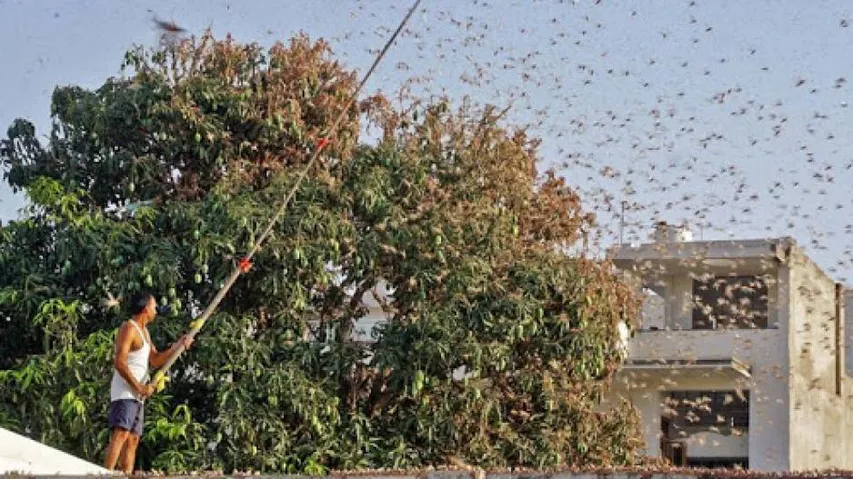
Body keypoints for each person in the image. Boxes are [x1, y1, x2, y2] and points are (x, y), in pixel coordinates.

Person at [103, 291, 193, 473]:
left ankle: (125, 475)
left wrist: (178, 345)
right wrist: (140, 387)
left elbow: (156, 360)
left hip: (138, 394)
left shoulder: (145, 333)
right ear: (145, 309)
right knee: (121, 433)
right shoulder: (129, 328)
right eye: (154, 307)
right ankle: (104, 474)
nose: (156, 311)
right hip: (125, 391)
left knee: (133, 439)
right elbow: (119, 363)